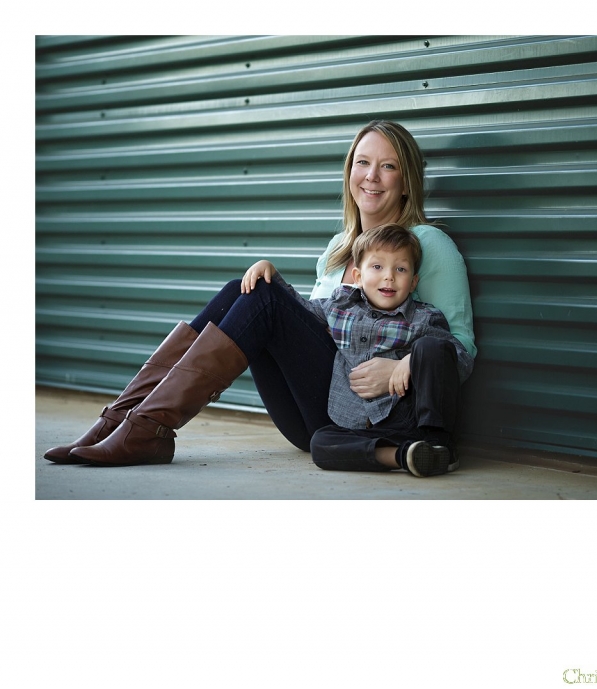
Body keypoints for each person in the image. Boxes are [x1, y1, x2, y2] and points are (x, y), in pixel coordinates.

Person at [43, 120, 476, 467]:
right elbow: (312, 322)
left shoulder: (426, 244)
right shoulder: (337, 251)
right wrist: (278, 284)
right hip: (309, 412)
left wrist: (403, 366)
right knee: (245, 288)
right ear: (348, 173)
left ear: (407, 180)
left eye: (388, 166)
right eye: (362, 163)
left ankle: (147, 430)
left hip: (366, 415)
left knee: (262, 297)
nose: (372, 176)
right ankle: (121, 421)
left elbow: (460, 347)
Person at [253, 224, 473, 476]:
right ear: (358, 277)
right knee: (321, 442)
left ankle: (438, 447)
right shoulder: (340, 305)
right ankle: (405, 456)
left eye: (400, 269)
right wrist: (272, 275)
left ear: (413, 282)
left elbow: (459, 359)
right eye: (377, 267)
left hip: (410, 417)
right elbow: (297, 312)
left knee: (432, 346)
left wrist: (411, 361)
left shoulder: (424, 318)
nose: (388, 276)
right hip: (362, 426)